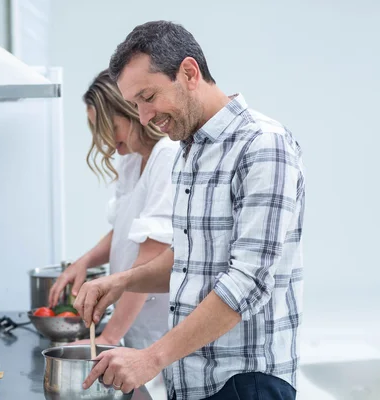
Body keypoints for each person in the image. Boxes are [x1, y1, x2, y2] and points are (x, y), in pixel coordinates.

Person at [73, 21, 305, 400]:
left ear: (189, 72)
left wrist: (150, 358)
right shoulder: (188, 152)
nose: (144, 117)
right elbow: (187, 259)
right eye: (135, 106)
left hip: (246, 383)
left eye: (148, 97)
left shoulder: (263, 145)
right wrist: (121, 282)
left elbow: (247, 283)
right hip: (193, 381)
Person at [48, 69, 179, 399]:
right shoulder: (133, 160)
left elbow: (149, 256)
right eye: (95, 129)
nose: (104, 139)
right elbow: (124, 228)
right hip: (133, 328)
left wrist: (109, 336)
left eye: (108, 127)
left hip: (158, 330)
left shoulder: (167, 156)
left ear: (131, 113)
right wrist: (85, 261)